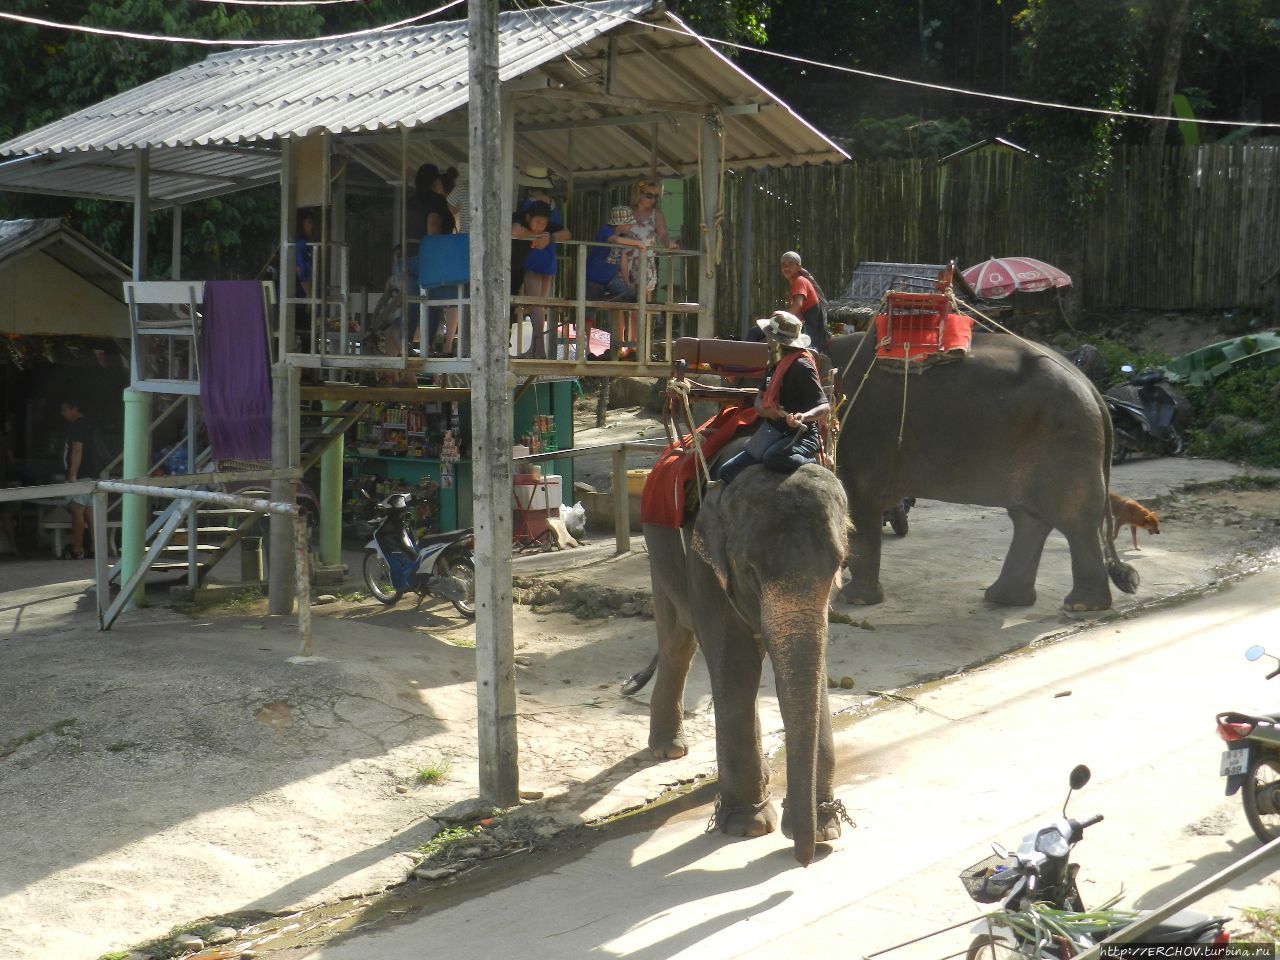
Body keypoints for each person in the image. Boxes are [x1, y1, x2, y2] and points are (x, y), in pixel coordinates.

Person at [715, 311, 829, 485]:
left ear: (777, 341)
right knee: (727, 471)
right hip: (772, 430)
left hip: (800, 434)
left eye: (768, 336)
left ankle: (813, 466)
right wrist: (767, 411)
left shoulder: (802, 366)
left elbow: (824, 407)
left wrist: (803, 417)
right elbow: (759, 400)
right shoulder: (774, 364)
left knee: (773, 457)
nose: (766, 339)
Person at [511, 170, 571, 358]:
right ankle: (536, 348)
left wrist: (536, 237)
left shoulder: (531, 206)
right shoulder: (553, 206)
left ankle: (539, 349)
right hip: (549, 256)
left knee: (535, 304)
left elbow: (517, 230)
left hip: (534, 255)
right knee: (539, 305)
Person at [586, 205, 645, 357]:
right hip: (594, 278)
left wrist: (627, 281)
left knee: (632, 296)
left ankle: (628, 346)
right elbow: (614, 239)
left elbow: (622, 259)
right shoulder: (606, 232)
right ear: (619, 224)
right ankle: (584, 348)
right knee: (588, 311)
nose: (630, 226)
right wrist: (638, 244)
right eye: (628, 224)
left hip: (610, 279)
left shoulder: (623, 239)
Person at [61, 396, 110, 559]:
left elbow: (76, 451)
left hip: (81, 476)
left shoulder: (77, 427)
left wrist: (72, 476)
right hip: (94, 474)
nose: (63, 414)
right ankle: (95, 548)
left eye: (65, 410)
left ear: (74, 409)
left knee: (77, 510)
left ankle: (77, 548)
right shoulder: (92, 425)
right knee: (90, 512)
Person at [628, 178, 676, 299]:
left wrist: (667, 243)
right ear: (638, 193)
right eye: (649, 195)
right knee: (619, 306)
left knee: (639, 306)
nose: (653, 199)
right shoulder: (627, 212)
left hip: (644, 264)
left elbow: (663, 234)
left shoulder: (656, 214)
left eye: (655, 196)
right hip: (625, 262)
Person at [780, 250, 829, 353]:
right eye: (784, 265)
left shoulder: (800, 281)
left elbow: (798, 304)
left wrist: (783, 318)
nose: (786, 268)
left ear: (798, 267)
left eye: (790, 265)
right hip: (804, 327)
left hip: (808, 332)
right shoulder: (795, 284)